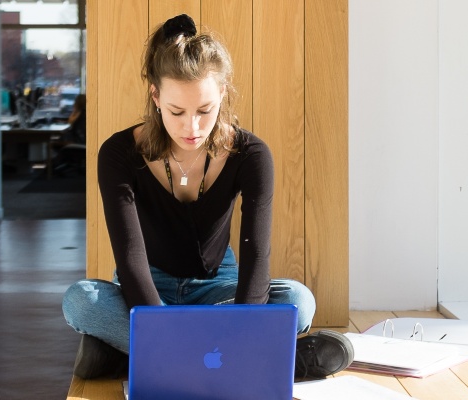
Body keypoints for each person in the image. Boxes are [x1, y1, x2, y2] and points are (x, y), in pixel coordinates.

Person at [60, 14, 354, 380]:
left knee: (299, 301)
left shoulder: (251, 154)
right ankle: (262, 360)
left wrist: (245, 323)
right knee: (80, 301)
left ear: (223, 95)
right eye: (176, 111)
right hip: (147, 288)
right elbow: (131, 258)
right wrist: (157, 325)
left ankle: (132, 357)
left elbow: (256, 254)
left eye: (205, 110)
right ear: (155, 96)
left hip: (220, 288)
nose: (192, 127)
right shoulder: (118, 153)